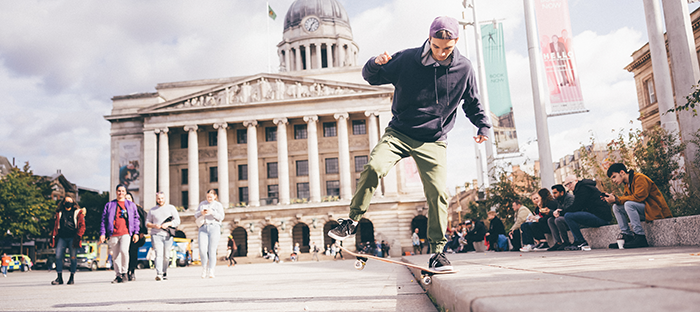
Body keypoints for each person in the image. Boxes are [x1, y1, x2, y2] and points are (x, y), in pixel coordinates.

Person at [326, 16, 491, 272]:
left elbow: (472, 102)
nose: (440, 53)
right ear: (429, 39)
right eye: (436, 47)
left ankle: (438, 252)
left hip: (434, 140)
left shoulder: (464, 69)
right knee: (373, 167)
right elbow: (372, 77)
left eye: (447, 49)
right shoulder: (407, 59)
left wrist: (483, 125)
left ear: (456, 43)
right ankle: (352, 220)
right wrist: (373, 63)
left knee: (437, 193)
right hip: (399, 132)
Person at [604, 163, 673, 248]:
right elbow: (626, 199)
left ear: (622, 172)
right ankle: (627, 235)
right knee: (616, 207)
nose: (613, 180)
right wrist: (613, 200)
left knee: (628, 204)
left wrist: (617, 199)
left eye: (614, 177)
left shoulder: (640, 178)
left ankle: (640, 237)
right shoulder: (627, 184)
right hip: (645, 211)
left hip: (654, 210)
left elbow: (639, 197)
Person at [558, 175, 612, 250]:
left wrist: (561, 213)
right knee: (570, 216)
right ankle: (578, 241)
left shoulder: (583, 189)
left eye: (570, 183)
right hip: (596, 216)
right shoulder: (581, 188)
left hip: (601, 218)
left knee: (568, 216)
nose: (568, 186)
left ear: (576, 181)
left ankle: (580, 241)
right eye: (566, 185)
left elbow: (577, 206)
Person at [100, 184, 140, 284]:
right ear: (116, 192)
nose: (120, 193)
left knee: (124, 251)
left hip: (126, 232)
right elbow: (104, 220)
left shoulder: (131, 205)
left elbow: (136, 219)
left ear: (125, 192)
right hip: (113, 233)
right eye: (119, 191)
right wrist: (102, 233)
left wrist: (136, 233)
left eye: (122, 191)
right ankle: (118, 275)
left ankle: (125, 272)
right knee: (116, 255)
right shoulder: (109, 205)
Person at [50, 196, 85, 285]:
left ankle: (72, 277)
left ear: (73, 202)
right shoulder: (60, 213)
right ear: (63, 202)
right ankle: (59, 278)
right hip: (62, 237)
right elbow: (55, 225)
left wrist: (79, 235)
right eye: (67, 201)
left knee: (73, 258)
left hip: (73, 237)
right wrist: (53, 236)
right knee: (58, 256)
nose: (68, 203)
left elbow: (82, 225)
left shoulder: (77, 212)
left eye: (70, 201)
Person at [146, 191, 180, 281]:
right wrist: (154, 225)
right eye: (158, 198)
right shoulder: (152, 210)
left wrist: (169, 224)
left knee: (166, 255)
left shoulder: (171, 208)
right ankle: (159, 273)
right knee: (159, 254)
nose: (160, 200)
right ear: (156, 199)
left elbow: (177, 221)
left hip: (168, 235)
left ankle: (164, 271)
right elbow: (147, 223)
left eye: (161, 198)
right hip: (156, 234)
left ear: (164, 198)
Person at [195, 189, 225, 278]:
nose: (209, 198)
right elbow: (195, 215)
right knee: (202, 250)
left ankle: (211, 270)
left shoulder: (218, 205)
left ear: (215, 196)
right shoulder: (202, 204)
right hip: (203, 227)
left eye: (211, 197)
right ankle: (204, 268)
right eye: (208, 197)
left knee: (212, 250)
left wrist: (212, 212)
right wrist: (201, 212)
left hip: (214, 227)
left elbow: (221, 217)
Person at [125, 192, 147, 281]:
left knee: (133, 253)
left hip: (135, 234)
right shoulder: (120, 208)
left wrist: (142, 232)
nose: (127, 200)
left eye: (129, 198)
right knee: (124, 253)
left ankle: (132, 271)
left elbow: (144, 218)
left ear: (132, 199)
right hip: (124, 234)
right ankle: (125, 271)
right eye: (125, 198)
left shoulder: (137, 208)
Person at [547, 184, 575, 251]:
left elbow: (569, 211)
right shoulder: (559, 200)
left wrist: (557, 213)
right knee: (550, 220)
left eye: (555, 193)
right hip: (564, 218)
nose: (553, 195)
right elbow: (558, 211)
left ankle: (566, 242)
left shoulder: (570, 198)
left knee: (558, 220)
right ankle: (558, 242)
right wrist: (551, 212)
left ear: (562, 192)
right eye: (553, 193)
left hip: (572, 219)